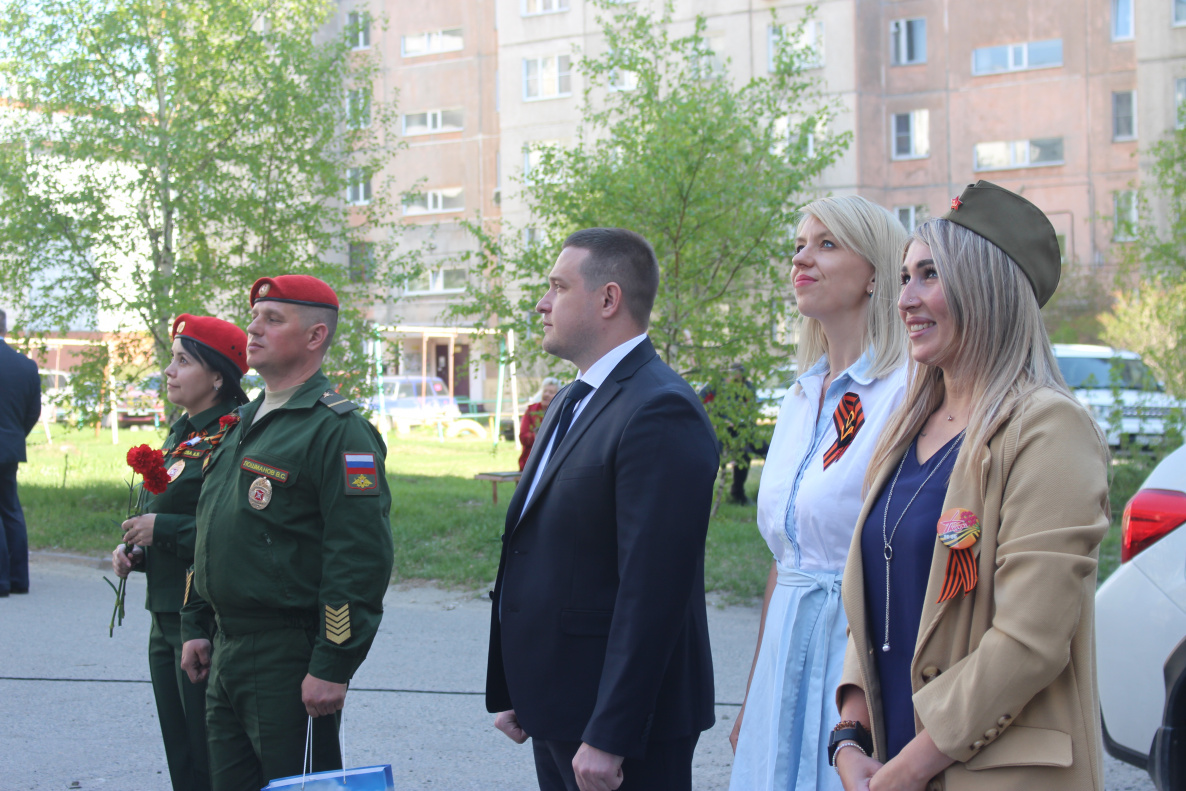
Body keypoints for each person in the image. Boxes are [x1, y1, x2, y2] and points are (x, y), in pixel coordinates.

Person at [832, 181, 1110, 791]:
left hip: (986, 772)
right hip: (890, 762)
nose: (906, 299)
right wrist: (850, 736)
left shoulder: (1048, 428)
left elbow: (1029, 642)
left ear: (986, 286)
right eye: (904, 277)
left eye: (929, 275)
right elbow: (876, 597)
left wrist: (907, 769)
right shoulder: (905, 430)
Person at [486, 228, 720, 791]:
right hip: (564, 704)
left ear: (608, 299)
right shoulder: (572, 398)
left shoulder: (659, 408)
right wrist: (523, 685)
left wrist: (611, 732)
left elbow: (653, 589)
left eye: (557, 287)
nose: (542, 304)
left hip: (619, 729)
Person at [179, 275, 394, 791]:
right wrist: (195, 618)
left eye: (273, 319)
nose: (253, 329)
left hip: (287, 654)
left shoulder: (340, 431)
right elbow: (212, 528)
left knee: (298, 786)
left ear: (315, 336)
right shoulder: (240, 422)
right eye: (254, 317)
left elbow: (358, 557)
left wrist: (333, 662)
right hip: (227, 645)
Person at [729, 196, 909, 791]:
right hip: (784, 655)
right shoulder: (799, 398)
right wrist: (755, 691)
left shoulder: (907, 395)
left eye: (826, 244)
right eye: (800, 245)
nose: (801, 258)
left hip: (857, 659)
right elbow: (785, 561)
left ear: (877, 272)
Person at [111, 314, 250, 791]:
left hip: (203, 616)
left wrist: (163, 529)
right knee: (181, 750)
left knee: (210, 753)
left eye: (183, 361)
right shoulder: (183, 434)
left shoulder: (233, 436)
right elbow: (167, 514)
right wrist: (137, 549)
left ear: (217, 376)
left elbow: (237, 530)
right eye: (172, 359)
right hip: (163, 611)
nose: (169, 371)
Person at [0, 308, 40, 598]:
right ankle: (18, 579)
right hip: (11, 446)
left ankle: (2, 581)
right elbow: (33, 412)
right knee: (11, 510)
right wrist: (15, 436)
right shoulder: (25, 366)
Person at [518, 377, 561, 471]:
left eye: (551, 392)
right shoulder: (531, 411)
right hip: (531, 460)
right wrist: (537, 436)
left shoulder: (560, 412)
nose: (546, 394)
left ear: (558, 395)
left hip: (553, 461)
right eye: (545, 391)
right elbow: (523, 437)